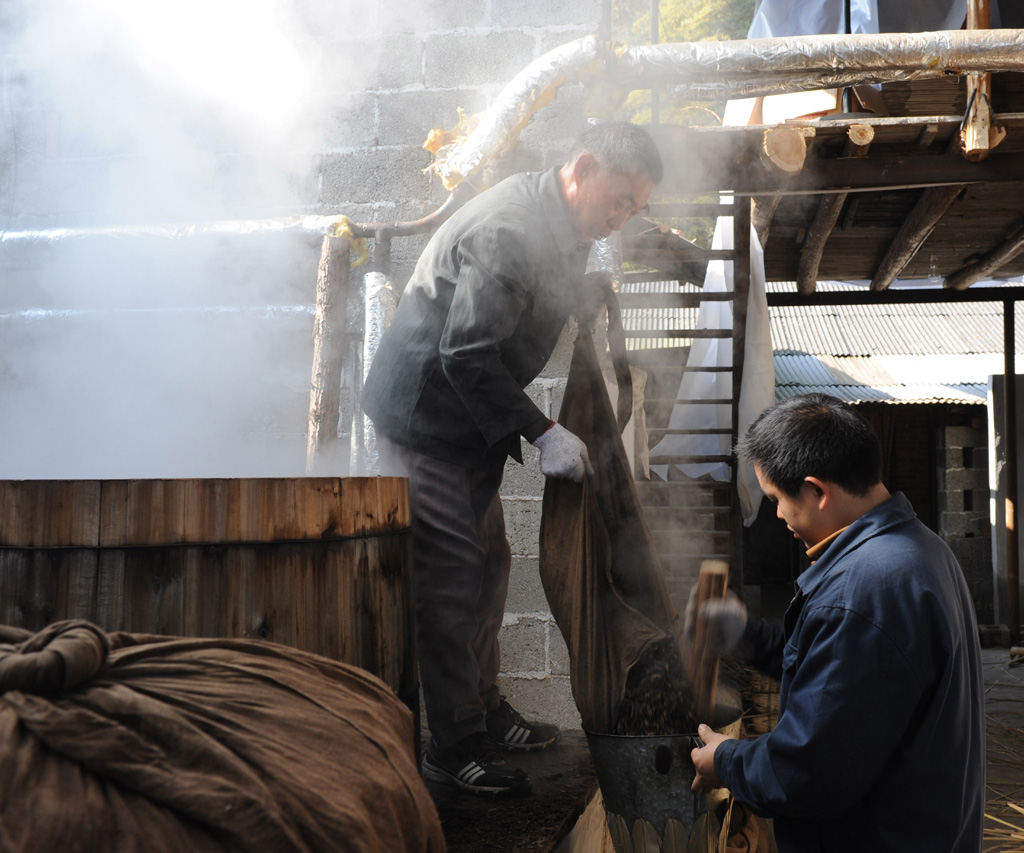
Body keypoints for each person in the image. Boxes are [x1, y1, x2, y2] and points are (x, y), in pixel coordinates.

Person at [362, 121, 663, 795]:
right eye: (618, 201)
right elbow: (464, 353)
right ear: (581, 166)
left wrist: (579, 298)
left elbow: (532, 296)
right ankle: (453, 741)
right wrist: (542, 430)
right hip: (426, 419)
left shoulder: (562, 222)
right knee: (454, 573)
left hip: (466, 421)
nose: (619, 221)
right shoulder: (509, 229)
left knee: (491, 562)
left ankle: (485, 707)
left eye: (633, 210)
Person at [689, 393, 985, 851]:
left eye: (776, 499)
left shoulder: (863, 591)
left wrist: (726, 760)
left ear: (818, 491)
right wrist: (750, 635)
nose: (779, 515)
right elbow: (847, 684)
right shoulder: (919, 548)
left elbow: (806, 772)